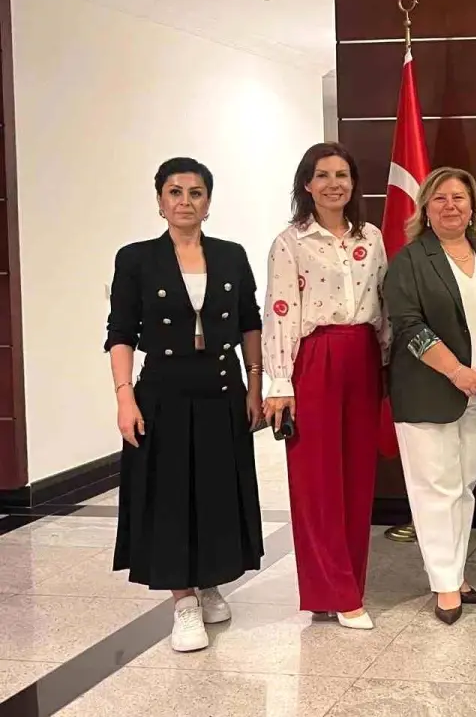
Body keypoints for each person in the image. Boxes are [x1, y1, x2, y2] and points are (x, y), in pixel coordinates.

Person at [105, 157, 264, 653]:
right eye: (174, 192)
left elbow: (250, 322)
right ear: (160, 201)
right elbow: (120, 331)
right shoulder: (136, 258)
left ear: (208, 202)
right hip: (163, 391)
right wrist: (124, 396)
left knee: (217, 489)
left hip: (222, 386)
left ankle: (210, 581)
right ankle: (184, 601)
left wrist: (255, 385)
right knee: (170, 494)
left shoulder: (231, 255)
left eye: (195, 193)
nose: (185, 201)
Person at [263, 142, 391, 630]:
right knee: (315, 480)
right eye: (323, 175)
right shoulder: (290, 242)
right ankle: (334, 592)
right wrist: (280, 381)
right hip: (315, 358)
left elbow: (383, 305)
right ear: (307, 184)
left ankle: (346, 586)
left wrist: (386, 366)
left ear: (353, 183)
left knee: (357, 478)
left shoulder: (371, 238)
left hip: (364, 356)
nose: (334, 184)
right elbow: (279, 312)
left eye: (342, 175)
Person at [385, 167, 476, 626]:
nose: (450, 206)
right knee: (434, 489)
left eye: (459, 197)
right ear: (425, 207)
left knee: (463, 487)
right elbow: (408, 326)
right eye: (439, 198)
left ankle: (456, 573)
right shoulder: (409, 260)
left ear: (473, 206)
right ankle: (444, 582)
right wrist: (459, 372)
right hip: (428, 392)